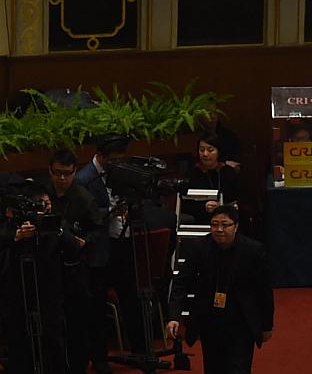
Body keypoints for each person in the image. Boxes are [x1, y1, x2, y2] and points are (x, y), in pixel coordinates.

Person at [166, 205, 274, 374]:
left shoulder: (253, 250)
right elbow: (181, 282)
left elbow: (264, 291)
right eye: (214, 224)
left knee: (238, 369)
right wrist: (174, 317)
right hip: (210, 319)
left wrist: (267, 325)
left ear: (236, 226)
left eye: (225, 224)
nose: (219, 229)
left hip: (241, 320)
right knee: (213, 368)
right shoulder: (198, 247)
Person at [76, 134, 147, 362]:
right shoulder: (84, 179)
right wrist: (110, 213)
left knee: (132, 300)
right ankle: (99, 358)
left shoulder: (121, 172)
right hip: (98, 252)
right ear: (100, 156)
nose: (118, 163)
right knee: (96, 307)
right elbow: (83, 219)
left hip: (123, 243)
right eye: (114, 159)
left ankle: (141, 352)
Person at [1, 181, 82, 374]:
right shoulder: (13, 227)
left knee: (54, 342)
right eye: (40, 204)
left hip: (50, 296)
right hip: (19, 298)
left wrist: (58, 231)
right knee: (21, 346)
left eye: (47, 203)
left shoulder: (56, 222)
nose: (45, 208)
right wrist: (17, 237)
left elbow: (75, 249)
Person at [44, 149, 105, 374]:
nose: (62, 179)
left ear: (74, 172)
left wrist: (84, 242)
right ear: (50, 171)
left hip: (74, 271)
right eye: (57, 173)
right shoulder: (43, 194)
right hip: (47, 269)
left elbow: (98, 231)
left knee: (77, 324)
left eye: (67, 174)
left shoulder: (83, 197)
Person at [182, 132, 242, 223]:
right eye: (201, 150)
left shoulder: (228, 172)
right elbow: (185, 205)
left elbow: (238, 198)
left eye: (210, 150)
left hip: (227, 220)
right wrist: (204, 207)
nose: (205, 154)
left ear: (219, 151)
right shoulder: (192, 174)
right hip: (201, 221)